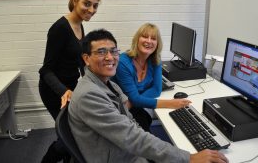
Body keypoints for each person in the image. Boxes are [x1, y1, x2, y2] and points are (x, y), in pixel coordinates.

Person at [68, 29, 229, 163]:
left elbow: (131, 121)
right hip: (121, 157)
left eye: (113, 51)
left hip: (123, 148)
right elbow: (131, 137)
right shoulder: (89, 94)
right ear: (86, 58)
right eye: (101, 52)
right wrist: (189, 158)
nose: (110, 57)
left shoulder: (108, 83)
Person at [39, 0, 101, 163]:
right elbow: (46, 70)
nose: (91, 10)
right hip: (54, 90)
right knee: (69, 136)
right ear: (75, 0)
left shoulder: (79, 24)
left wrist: (91, 80)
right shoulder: (59, 28)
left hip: (71, 87)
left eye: (95, 6)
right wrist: (64, 91)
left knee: (75, 133)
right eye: (87, 4)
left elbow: (78, 60)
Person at [113, 23, 191, 132]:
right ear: (137, 39)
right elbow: (136, 99)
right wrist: (170, 103)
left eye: (153, 38)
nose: (149, 41)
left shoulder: (155, 61)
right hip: (118, 111)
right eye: (145, 36)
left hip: (131, 106)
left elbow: (156, 89)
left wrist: (135, 100)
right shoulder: (123, 62)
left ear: (157, 43)